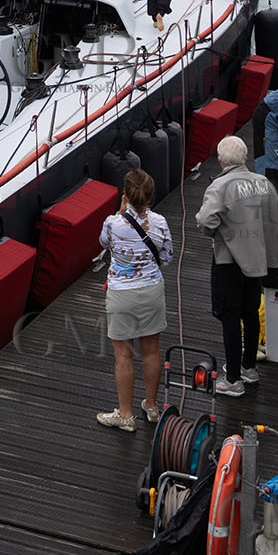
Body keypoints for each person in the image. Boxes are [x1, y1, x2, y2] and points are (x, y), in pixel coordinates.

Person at [196, 136, 278, 395]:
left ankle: (233, 379)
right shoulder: (264, 183)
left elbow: (205, 222)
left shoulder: (220, 186)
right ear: (245, 157)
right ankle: (249, 367)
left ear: (220, 159)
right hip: (258, 260)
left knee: (230, 317)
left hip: (229, 261)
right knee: (250, 312)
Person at [96, 169, 173, 432]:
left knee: (123, 354)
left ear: (126, 195)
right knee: (151, 350)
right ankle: (151, 406)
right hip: (151, 290)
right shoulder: (160, 222)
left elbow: (103, 243)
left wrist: (120, 212)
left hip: (121, 294)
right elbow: (167, 257)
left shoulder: (112, 223)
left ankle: (126, 416)